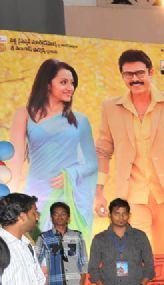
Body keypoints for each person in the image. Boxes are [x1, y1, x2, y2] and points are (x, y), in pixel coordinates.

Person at [94, 49, 164, 254]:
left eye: (139, 73)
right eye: (128, 74)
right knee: (134, 253)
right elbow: (103, 151)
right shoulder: (110, 108)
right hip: (131, 195)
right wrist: (99, 191)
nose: (134, 79)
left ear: (151, 72)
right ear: (122, 75)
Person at [9, 58, 98, 237]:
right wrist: (11, 199)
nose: (70, 87)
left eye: (72, 83)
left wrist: (70, 175)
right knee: (35, 245)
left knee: (68, 248)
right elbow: (15, 162)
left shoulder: (80, 120)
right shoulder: (25, 114)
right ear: (48, 84)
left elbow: (92, 164)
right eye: (63, 82)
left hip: (68, 196)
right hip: (36, 194)